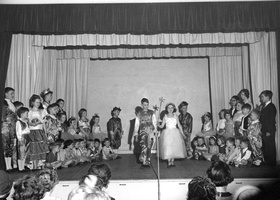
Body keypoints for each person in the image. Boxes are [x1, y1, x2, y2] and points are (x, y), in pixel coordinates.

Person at [158, 103, 186, 167]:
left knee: (174, 147)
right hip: (167, 133)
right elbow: (162, 126)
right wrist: (158, 124)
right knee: (168, 147)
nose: (170, 109)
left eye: (171, 108)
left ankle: (172, 161)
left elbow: (179, 125)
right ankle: (169, 161)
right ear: (167, 109)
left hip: (175, 133)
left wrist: (183, 134)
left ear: (174, 109)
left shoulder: (176, 116)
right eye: (169, 108)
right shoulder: (165, 117)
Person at [27, 94, 49, 170]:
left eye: (39, 102)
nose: (38, 104)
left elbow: (44, 123)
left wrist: (45, 132)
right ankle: (33, 165)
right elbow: (28, 122)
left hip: (40, 131)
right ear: (32, 102)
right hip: (32, 131)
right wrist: (34, 123)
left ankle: (40, 164)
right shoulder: (29, 112)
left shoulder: (42, 111)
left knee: (40, 147)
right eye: (36, 102)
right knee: (33, 147)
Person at [137, 98, 157, 168]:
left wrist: (155, 131)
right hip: (143, 132)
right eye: (144, 105)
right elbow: (137, 124)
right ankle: (143, 161)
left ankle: (148, 161)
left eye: (147, 105)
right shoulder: (139, 113)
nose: (146, 106)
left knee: (149, 147)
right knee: (143, 146)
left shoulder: (151, 113)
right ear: (142, 105)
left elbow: (154, 122)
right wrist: (135, 133)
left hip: (150, 132)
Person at [259, 90, 277, 166]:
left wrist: (269, 131)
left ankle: (272, 163)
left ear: (268, 97)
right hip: (264, 130)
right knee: (265, 147)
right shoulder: (263, 106)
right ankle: (267, 162)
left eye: (262, 96)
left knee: (270, 147)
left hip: (269, 130)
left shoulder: (271, 106)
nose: (261, 98)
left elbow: (271, 120)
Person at [3, 87, 17, 171]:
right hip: (6, 128)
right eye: (11, 93)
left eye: (13, 93)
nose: (13, 95)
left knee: (10, 146)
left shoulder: (12, 103)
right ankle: (6, 165)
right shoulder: (4, 104)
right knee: (6, 145)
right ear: (5, 94)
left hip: (12, 128)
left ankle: (9, 164)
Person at [15, 107, 30, 171]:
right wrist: (20, 138)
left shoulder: (25, 121)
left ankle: (23, 166)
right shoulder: (18, 122)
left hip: (27, 137)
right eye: (26, 113)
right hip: (22, 138)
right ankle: (20, 167)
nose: (27, 115)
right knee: (21, 153)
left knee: (25, 152)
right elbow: (18, 131)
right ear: (21, 114)